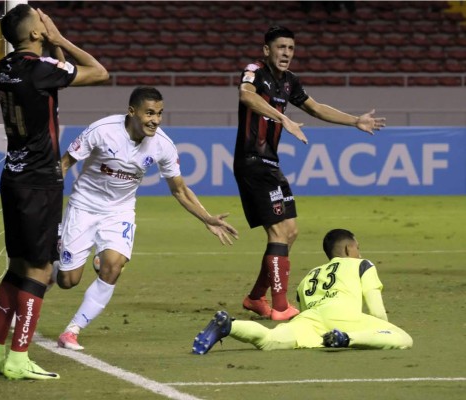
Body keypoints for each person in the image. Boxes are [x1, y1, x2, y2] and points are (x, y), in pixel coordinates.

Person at [52, 86, 239, 351]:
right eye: (149, 113)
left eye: (160, 113)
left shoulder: (163, 144)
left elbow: (180, 189)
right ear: (132, 112)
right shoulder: (102, 130)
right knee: (68, 281)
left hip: (120, 211)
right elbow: (63, 164)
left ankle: (72, 330)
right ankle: (56, 263)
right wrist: (45, 206)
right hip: (84, 205)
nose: (156, 120)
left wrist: (206, 218)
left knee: (113, 267)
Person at [0, 4, 109, 381]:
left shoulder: (4, 68)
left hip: (13, 175)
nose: (46, 24)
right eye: (41, 22)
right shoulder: (41, 71)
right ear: (36, 34)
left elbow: (53, 74)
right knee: (40, 270)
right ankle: (19, 358)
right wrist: (60, 40)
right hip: (40, 179)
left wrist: (49, 47)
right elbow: (100, 72)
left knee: (18, 267)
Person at [235, 26, 386, 321]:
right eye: (280, 48)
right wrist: (282, 118)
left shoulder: (290, 82)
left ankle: (255, 298)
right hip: (251, 161)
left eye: (290, 49)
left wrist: (355, 120)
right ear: (267, 50)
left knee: (289, 232)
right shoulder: (255, 71)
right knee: (279, 231)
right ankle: (279, 306)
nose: (286, 54)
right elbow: (246, 97)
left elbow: (315, 108)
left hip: (270, 163)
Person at [192, 228, 413, 354]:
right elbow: (377, 313)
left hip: (309, 319)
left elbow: (308, 308)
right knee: (403, 338)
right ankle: (346, 339)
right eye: (358, 247)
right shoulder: (362, 264)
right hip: (344, 317)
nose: (359, 251)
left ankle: (229, 326)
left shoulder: (309, 276)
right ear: (348, 249)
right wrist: (378, 329)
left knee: (269, 339)